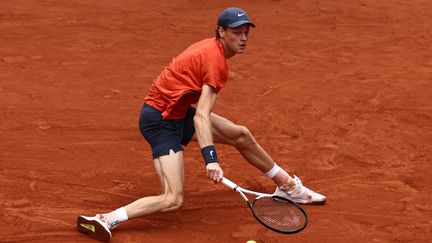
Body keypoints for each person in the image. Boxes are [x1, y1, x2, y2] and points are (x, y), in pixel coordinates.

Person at [77, 7, 326, 241]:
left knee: (241, 135)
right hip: (160, 122)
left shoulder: (213, 51)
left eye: (246, 33)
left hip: (177, 113)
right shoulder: (215, 61)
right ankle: (106, 219)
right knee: (172, 199)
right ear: (221, 31)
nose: (243, 38)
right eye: (236, 32)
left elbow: (199, 115)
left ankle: (288, 187)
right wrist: (211, 159)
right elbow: (201, 116)